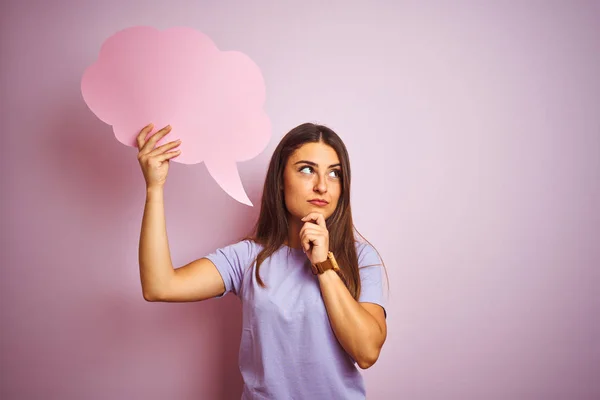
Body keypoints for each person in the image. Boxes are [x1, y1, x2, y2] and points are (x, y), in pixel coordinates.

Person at [137, 122, 387, 399]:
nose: (321, 186)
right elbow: (159, 286)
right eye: (307, 169)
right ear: (280, 181)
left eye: (334, 174)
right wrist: (154, 188)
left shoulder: (361, 258)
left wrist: (323, 265)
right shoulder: (247, 258)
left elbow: (366, 352)